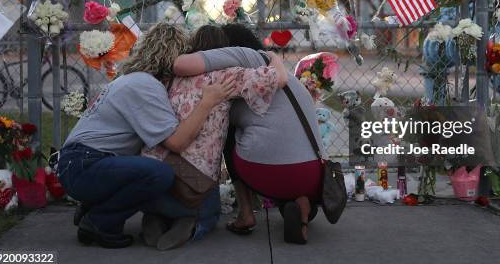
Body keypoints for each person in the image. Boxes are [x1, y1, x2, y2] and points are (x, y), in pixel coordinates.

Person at [57, 23, 236, 248]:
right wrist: (207, 102)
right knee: (159, 174)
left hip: (80, 163)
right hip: (84, 166)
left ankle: (97, 206)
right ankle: (100, 222)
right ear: (173, 58)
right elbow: (177, 142)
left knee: (153, 171)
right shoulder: (146, 86)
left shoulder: (131, 79)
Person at [173, 24, 328, 244]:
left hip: (264, 169)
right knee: (277, 140)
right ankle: (300, 202)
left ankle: (246, 213)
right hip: (313, 173)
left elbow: (180, 65)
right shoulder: (281, 74)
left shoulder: (241, 62)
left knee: (228, 129)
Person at [142, 25, 287, 249]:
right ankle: (193, 222)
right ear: (223, 51)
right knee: (211, 212)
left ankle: (156, 215)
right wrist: (272, 56)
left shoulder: (170, 77)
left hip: (155, 162)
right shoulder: (226, 75)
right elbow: (277, 79)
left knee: (163, 194)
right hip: (194, 175)